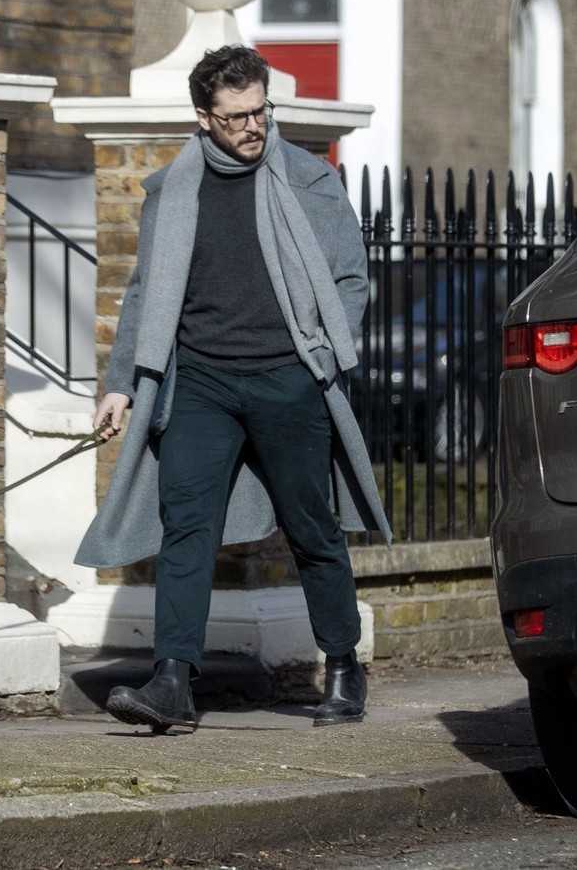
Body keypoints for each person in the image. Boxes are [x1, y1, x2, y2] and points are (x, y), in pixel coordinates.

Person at [76, 45, 391, 733]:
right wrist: (121, 384)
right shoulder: (171, 193)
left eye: (261, 111)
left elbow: (350, 279)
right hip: (202, 384)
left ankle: (343, 666)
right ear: (202, 117)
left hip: (289, 380)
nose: (253, 127)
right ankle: (171, 684)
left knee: (312, 528)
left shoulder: (309, 182)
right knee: (186, 527)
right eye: (237, 117)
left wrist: (323, 354)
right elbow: (143, 294)